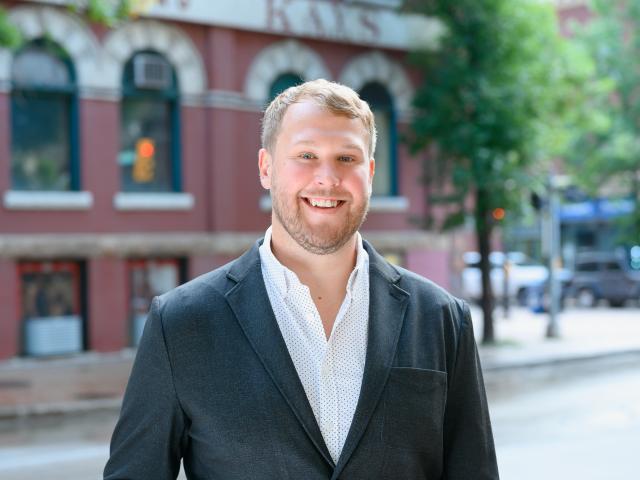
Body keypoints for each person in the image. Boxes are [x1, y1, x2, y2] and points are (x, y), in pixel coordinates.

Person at [104, 79, 499, 479]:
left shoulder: (441, 319)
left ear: (371, 172)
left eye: (347, 158)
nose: (327, 178)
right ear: (266, 168)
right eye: (306, 155)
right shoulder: (181, 324)